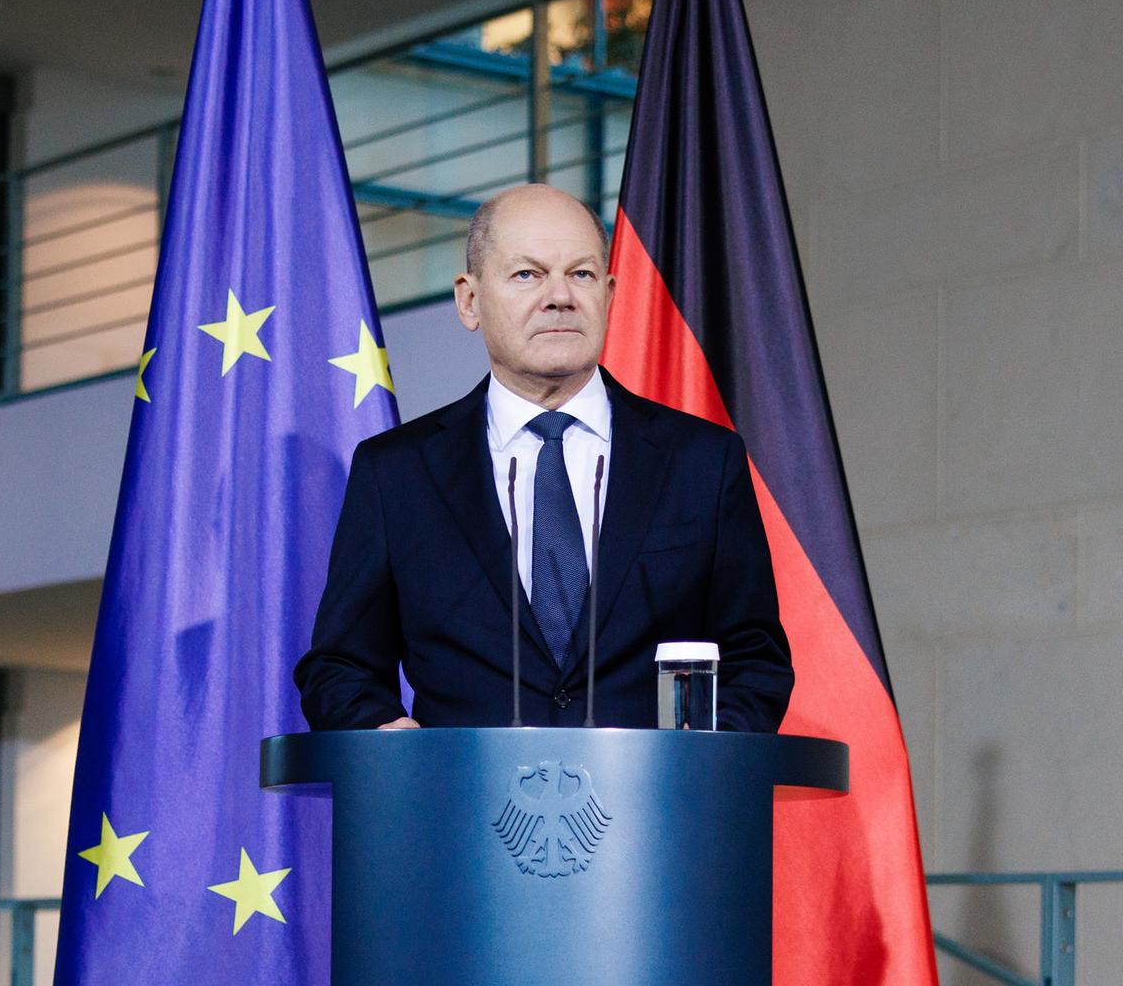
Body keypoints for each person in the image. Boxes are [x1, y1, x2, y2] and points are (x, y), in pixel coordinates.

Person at [294, 184, 793, 731]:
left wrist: (707, 759)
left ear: (609, 294)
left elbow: (755, 657)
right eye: (527, 274)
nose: (559, 297)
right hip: (463, 807)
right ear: (470, 301)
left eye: (580, 274)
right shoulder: (397, 472)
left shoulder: (702, 461)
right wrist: (392, 741)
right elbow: (340, 668)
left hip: (657, 809)